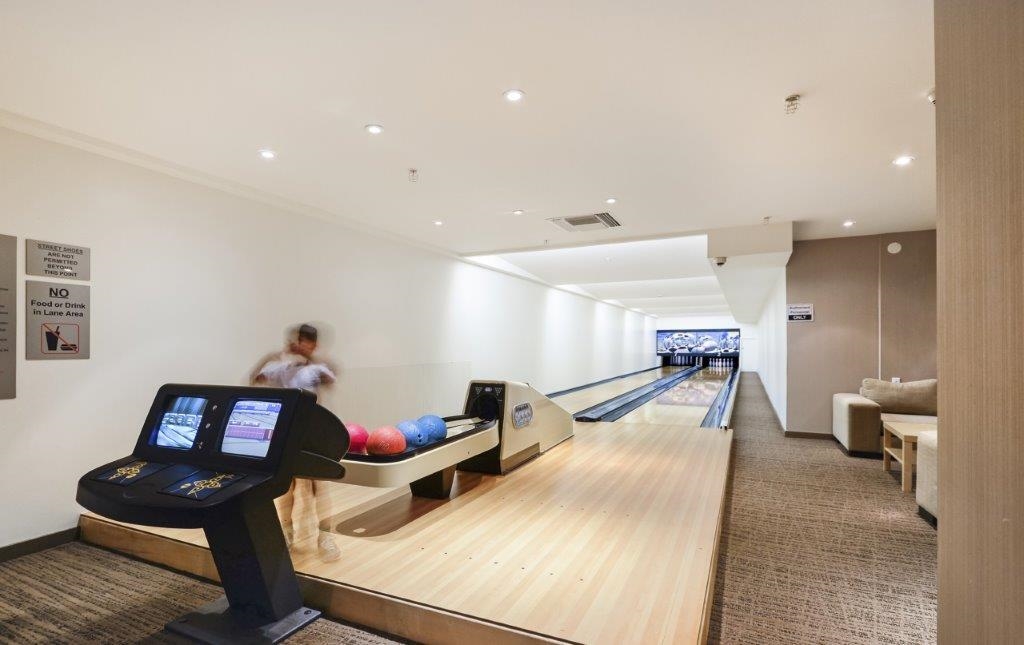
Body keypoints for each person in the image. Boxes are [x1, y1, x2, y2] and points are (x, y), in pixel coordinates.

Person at [250, 323, 341, 562]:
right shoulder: (280, 367)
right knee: (286, 487)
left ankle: (325, 538)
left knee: (317, 487)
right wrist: (274, 355)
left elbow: (330, 376)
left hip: (312, 434)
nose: (302, 345)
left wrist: (310, 359)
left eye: (307, 342)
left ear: (314, 345)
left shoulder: (316, 369)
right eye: (300, 340)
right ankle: (287, 533)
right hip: (286, 434)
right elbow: (255, 378)